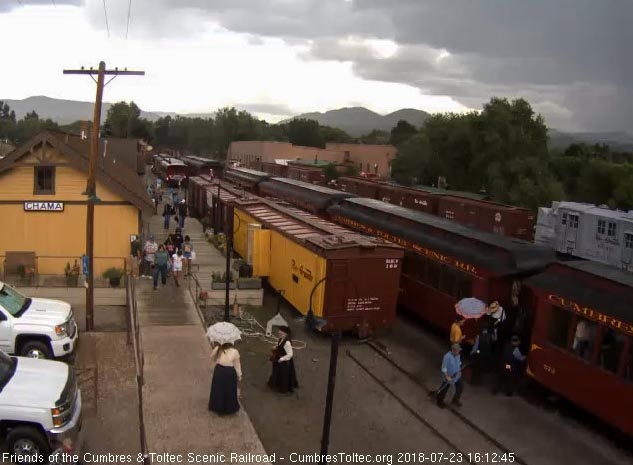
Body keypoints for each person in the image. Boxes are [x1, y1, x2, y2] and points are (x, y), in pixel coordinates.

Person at [208, 342, 242, 416]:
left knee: (218, 389)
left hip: (219, 371)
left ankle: (217, 406)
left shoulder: (218, 349)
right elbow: (237, 364)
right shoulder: (234, 352)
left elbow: (212, 358)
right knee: (229, 390)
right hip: (229, 372)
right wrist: (239, 375)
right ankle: (229, 408)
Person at [268, 326, 298, 394]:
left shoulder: (287, 343)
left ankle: (283, 388)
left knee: (283, 374)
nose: (279, 332)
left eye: (280, 331)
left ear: (285, 333)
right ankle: (277, 384)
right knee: (277, 373)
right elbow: (280, 347)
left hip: (283, 362)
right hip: (279, 359)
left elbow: (290, 354)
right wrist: (276, 347)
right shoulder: (281, 339)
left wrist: (281, 359)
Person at [434, 343, 463, 408]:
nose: (458, 352)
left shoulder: (458, 355)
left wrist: (459, 371)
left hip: (456, 376)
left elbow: (459, 363)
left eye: (459, 351)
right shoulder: (447, 357)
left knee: (460, 388)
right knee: (444, 390)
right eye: (457, 351)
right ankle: (439, 402)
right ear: (453, 350)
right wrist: (447, 376)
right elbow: (444, 368)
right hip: (448, 377)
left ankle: (455, 400)